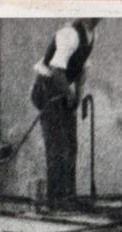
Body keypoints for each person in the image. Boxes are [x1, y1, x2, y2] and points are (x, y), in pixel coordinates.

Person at [31, 19, 98, 204]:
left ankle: (68, 196)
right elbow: (56, 70)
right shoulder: (70, 34)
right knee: (57, 147)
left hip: (62, 89)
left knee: (70, 145)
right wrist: (69, 94)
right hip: (47, 89)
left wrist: (78, 94)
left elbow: (80, 70)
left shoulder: (91, 36)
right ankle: (56, 199)